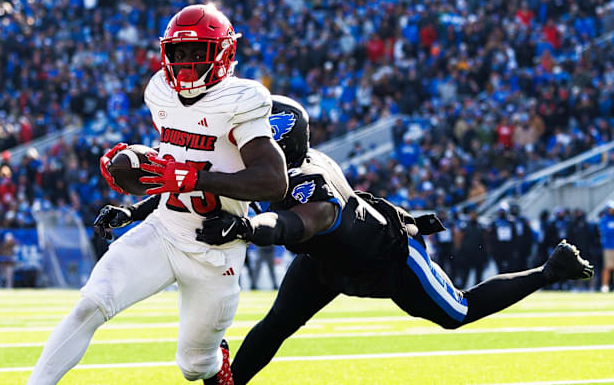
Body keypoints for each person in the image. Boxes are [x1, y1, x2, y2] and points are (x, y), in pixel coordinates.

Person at [194, 96, 595, 384]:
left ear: (281, 144)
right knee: (278, 322)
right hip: (328, 261)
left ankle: (549, 270)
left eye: (258, 141)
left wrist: (246, 229)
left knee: (457, 312)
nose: (246, 150)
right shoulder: (295, 164)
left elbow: (292, 225)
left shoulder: (312, 187)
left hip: (387, 260)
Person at [28, 4, 288, 385]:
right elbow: (173, 168)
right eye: (178, 53)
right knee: (91, 304)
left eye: (198, 52)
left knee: (193, 365)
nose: (185, 63)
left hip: (215, 250)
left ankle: (216, 361)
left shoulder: (241, 100)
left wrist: (195, 178)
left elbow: (273, 181)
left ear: (223, 53)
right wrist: (138, 184)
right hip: (164, 230)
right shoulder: (160, 92)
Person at [599, 203, 614, 292]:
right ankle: (605, 285)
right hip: (608, 247)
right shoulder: (604, 220)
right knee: (607, 267)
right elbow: (605, 231)